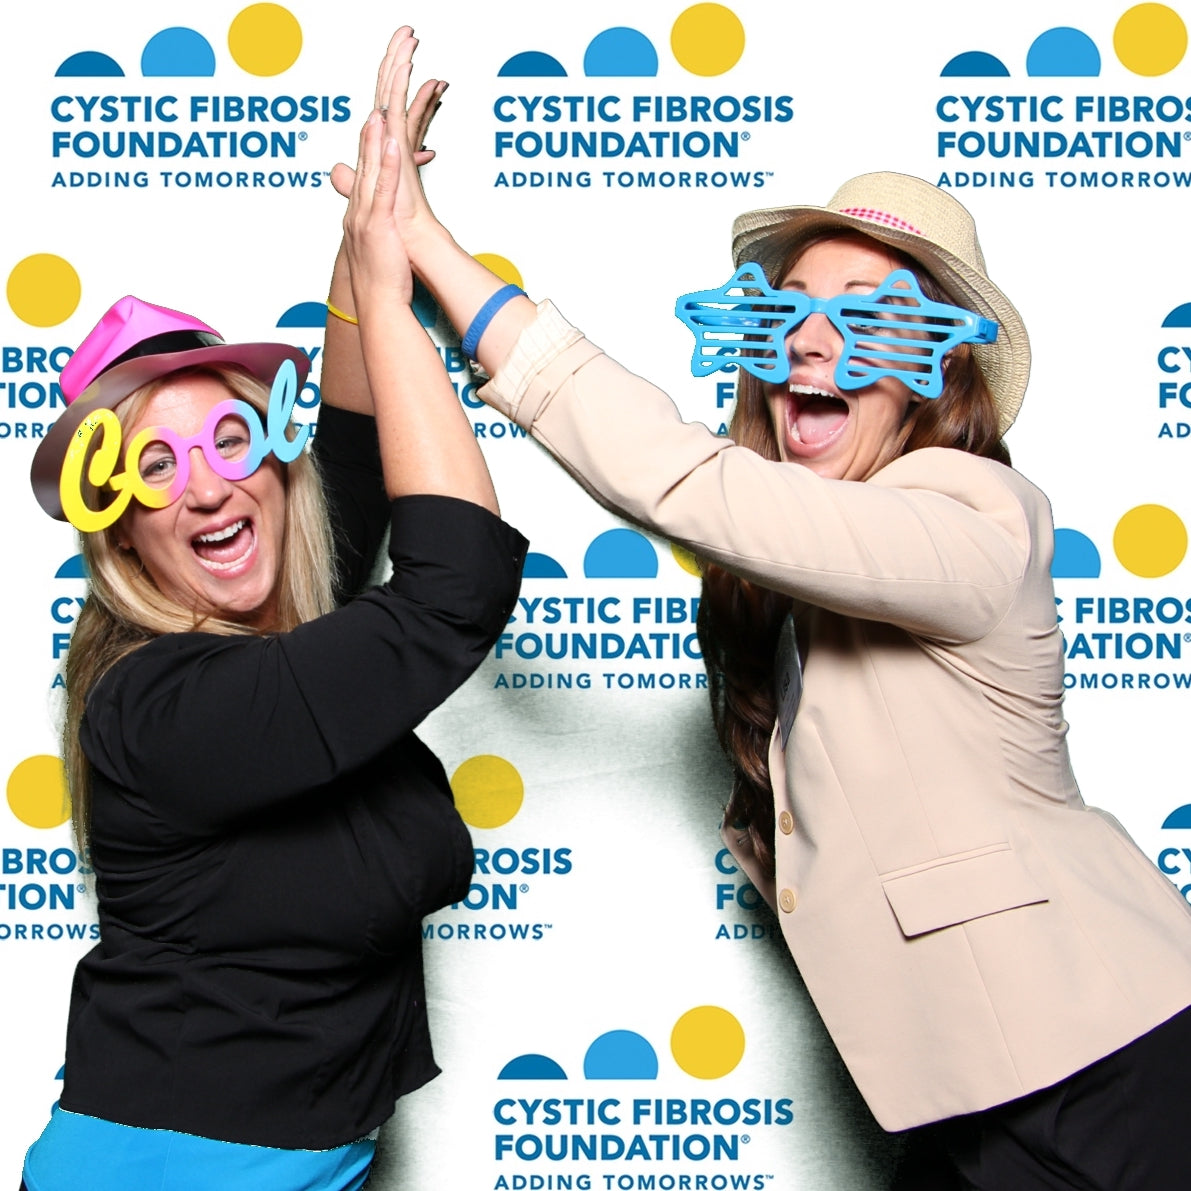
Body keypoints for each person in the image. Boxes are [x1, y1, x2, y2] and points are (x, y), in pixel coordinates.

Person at [350, 28, 1191, 1191]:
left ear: (940, 371)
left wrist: (429, 248)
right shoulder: (801, 595)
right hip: (952, 1093)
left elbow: (692, 484)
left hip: (1106, 1057)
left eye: (872, 313)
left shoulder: (977, 514)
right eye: (788, 305)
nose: (811, 337)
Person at [21, 32, 526, 1189]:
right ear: (118, 524)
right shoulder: (159, 704)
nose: (205, 484)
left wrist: (371, 240)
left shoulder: (281, 621)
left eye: (230, 440)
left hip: (306, 1163)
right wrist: (401, 298)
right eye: (156, 468)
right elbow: (457, 586)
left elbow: (342, 457)